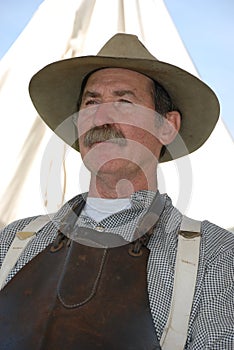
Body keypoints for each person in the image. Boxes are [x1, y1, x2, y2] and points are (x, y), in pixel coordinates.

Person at [0, 33, 233, 349]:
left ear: (167, 126)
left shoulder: (215, 253)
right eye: (91, 102)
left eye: (124, 101)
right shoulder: (12, 240)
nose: (101, 117)